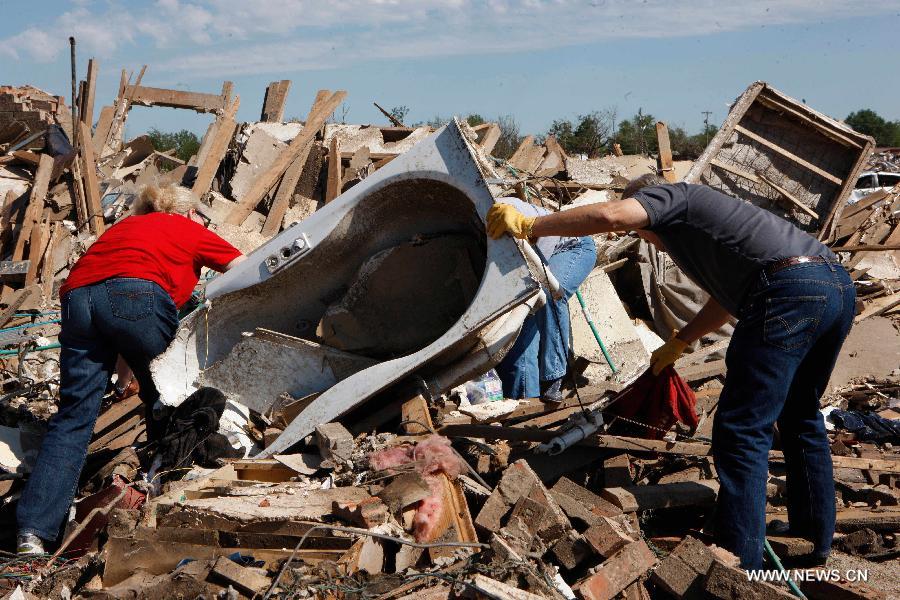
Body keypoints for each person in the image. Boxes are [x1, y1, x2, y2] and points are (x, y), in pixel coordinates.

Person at [487, 174, 855, 570]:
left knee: (743, 428)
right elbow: (726, 300)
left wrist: (531, 225)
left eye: (641, 228)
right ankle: (813, 539)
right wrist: (680, 341)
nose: (644, 237)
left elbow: (611, 216)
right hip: (834, 286)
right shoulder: (708, 231)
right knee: (800, 417)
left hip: (788, 290)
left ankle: (739, 561)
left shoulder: (673, 197)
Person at [17, 184, 245, 554]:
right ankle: (162, 491)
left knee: (73, 419)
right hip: (137, 294)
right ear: (188, 213)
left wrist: (124, 381)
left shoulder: (122, 229)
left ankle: (33, 532)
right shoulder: (187, 227)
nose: (204, 223)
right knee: (172, 398)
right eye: (203, 217)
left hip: (78, 299)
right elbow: (244, 267)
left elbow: (115, 314)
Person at [491, 197, 597, 403]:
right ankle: (524, 399)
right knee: (521, 328)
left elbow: (542, 269)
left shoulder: (508, 211)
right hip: (532, 265)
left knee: (549, 293)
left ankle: (554, 376)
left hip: (571, 246)